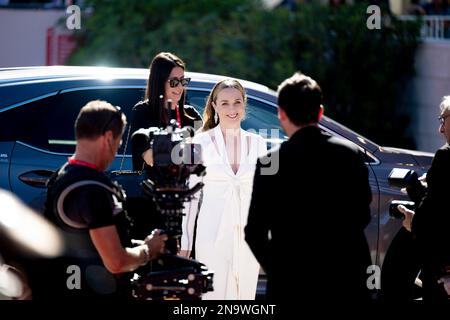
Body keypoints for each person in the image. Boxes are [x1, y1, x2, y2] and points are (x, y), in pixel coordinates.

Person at [245, 72, 372, 301]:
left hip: (292, 285)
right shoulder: (350, 154)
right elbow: (362, 216)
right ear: (320, 112)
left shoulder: (269, 163)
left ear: (281, 114)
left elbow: (254, 233)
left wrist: (282, 272)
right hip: (347, 281)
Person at [31, 100, 167, 300]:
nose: (116, 151)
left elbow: (88, 243)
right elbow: (116, 262)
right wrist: (148, 250)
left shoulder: (63, 174)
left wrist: (139, 244)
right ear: (109, 138)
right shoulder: (91, 189)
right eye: (119, 142)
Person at [180, 79, 267, 300]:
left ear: (244, 105)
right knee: (213, 295)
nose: (232, 109)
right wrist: (186, 242)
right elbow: (190, 198)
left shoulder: (259, 143)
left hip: (250, 237)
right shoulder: (197, 143)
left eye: (237, 102)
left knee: (245, 295)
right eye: (225, 103)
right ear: (215, 106)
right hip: (212, 235)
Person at [397, 95, 450, 301]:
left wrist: (414, 191)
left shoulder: (445, 156)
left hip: (442, 268)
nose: (441, 129)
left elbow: (431, 213)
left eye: (443, 120)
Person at [130, 52, 202, 172]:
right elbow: (151, 158)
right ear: (159, 82)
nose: (180, 87)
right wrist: (188, 149)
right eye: (174, 82)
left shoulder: (192, 115)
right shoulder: (142, 112)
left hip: (188, 189)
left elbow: (204, 154)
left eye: (183, 81)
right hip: (153, 188)